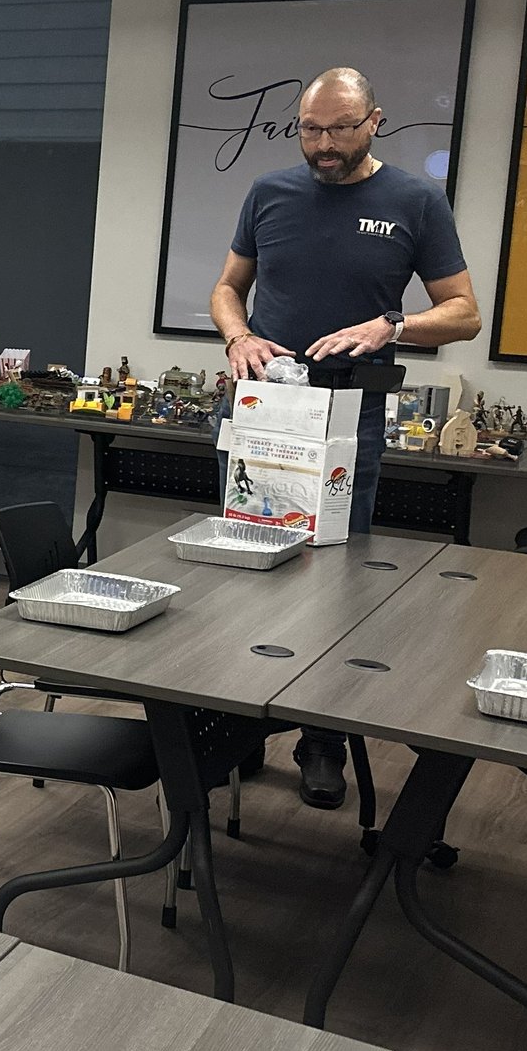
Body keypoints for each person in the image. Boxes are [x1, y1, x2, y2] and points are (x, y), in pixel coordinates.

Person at [209, 65, 480, 808]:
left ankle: (319, 738)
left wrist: (393, 324)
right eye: (309, 130)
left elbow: (463, 312)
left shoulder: (414, 200)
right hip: (265, 410)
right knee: (243, 570)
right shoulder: (269, 192)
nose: (322, 145)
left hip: (348, 417)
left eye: (338, 129)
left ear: (376, 122)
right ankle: (232, 722)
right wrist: (238, 336)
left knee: (330, 580)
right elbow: (228, 287)